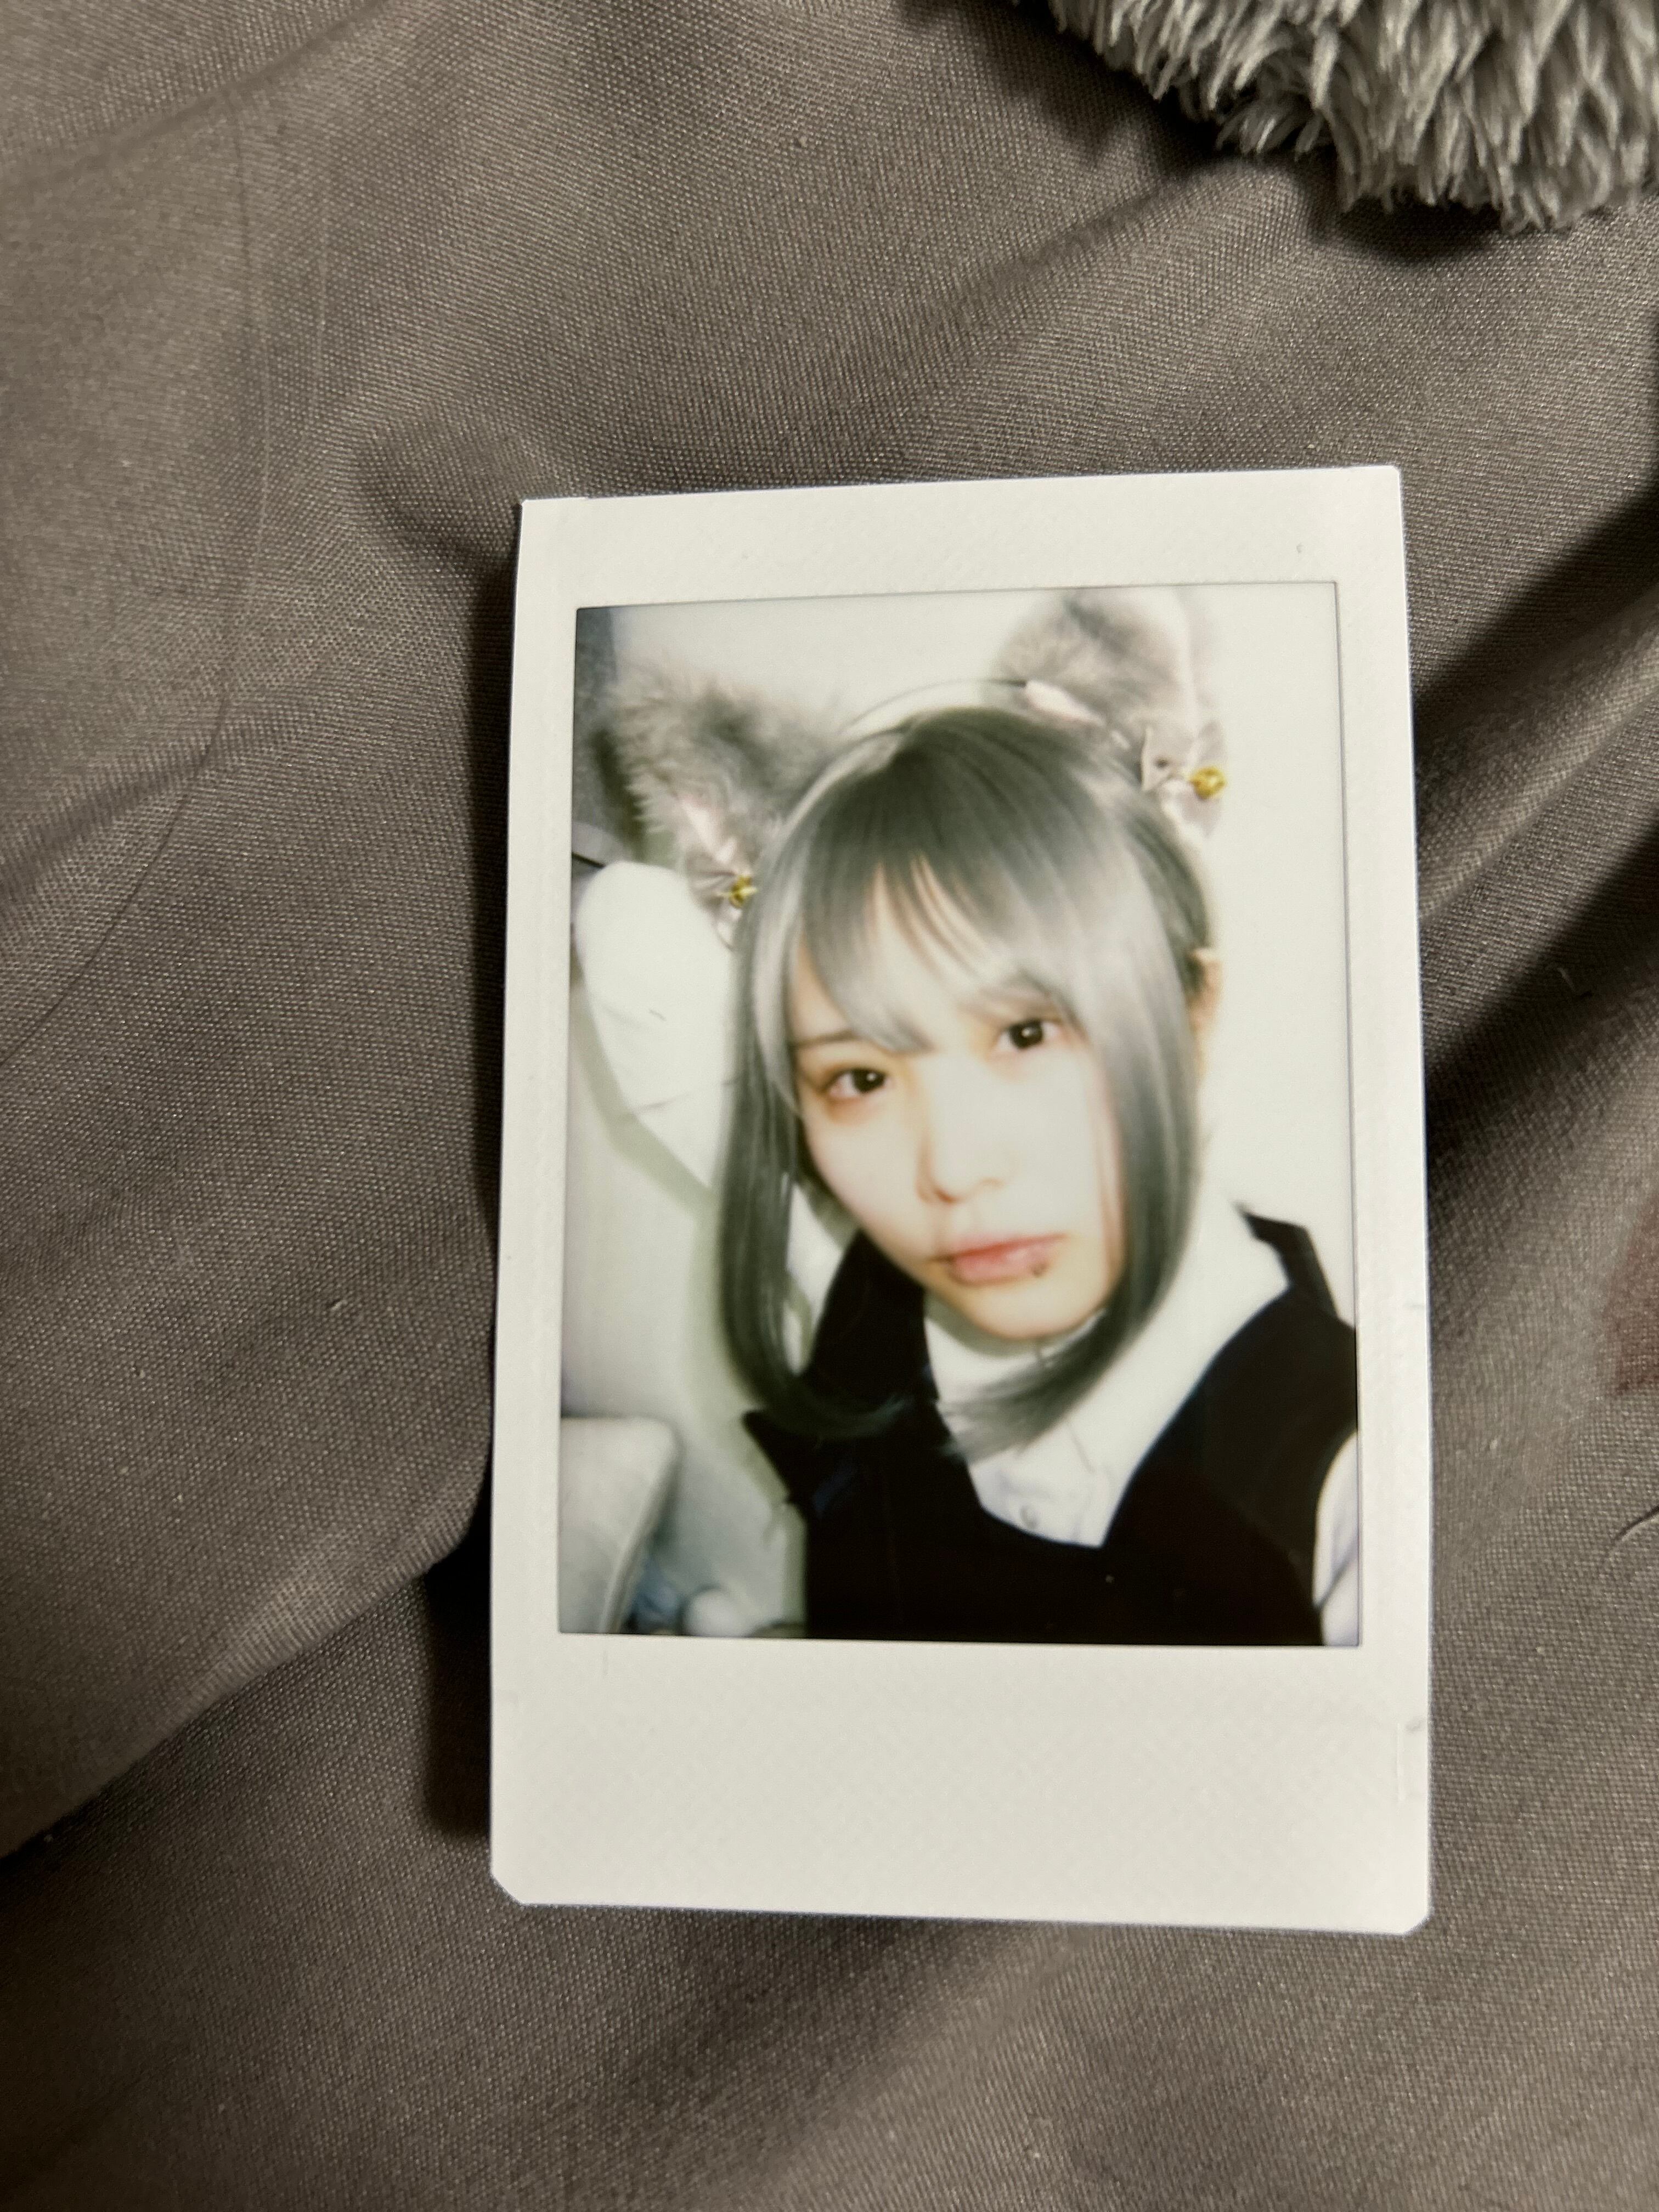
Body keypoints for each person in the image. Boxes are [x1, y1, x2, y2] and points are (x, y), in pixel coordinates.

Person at [709, 697, 1359, 1645]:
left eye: (1026, 1034)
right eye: (862, 1078)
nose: (953, 1169)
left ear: (1192, 1016)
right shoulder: (868, 1300)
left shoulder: (1354, 1481)